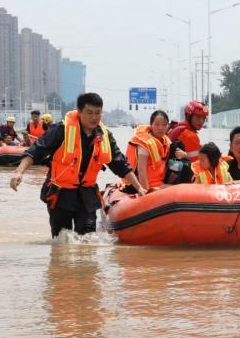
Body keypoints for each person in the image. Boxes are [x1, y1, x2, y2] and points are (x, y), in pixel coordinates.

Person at [10, 93, 147, 238]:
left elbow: (120, 164)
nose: (94, 117)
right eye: (89, 113)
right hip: (60, 194)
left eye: (98, 113)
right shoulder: (62, 130)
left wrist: (139, 187)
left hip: (87, 196)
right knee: (61, 240)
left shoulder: (105, 136)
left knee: (88, 239)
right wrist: (19, 172)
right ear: (80, 112)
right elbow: (36, 150)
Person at [124, 110, 185, 192]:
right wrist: (145, 191)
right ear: (151, 125)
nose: (160, 128)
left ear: (168, 126)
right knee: (179, 190)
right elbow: (141, 170)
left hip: (159, 182)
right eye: (156, 124)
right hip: (147, 185)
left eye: (164, 125)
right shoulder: (144, 143)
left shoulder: (166, 141)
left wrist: (183, 155)